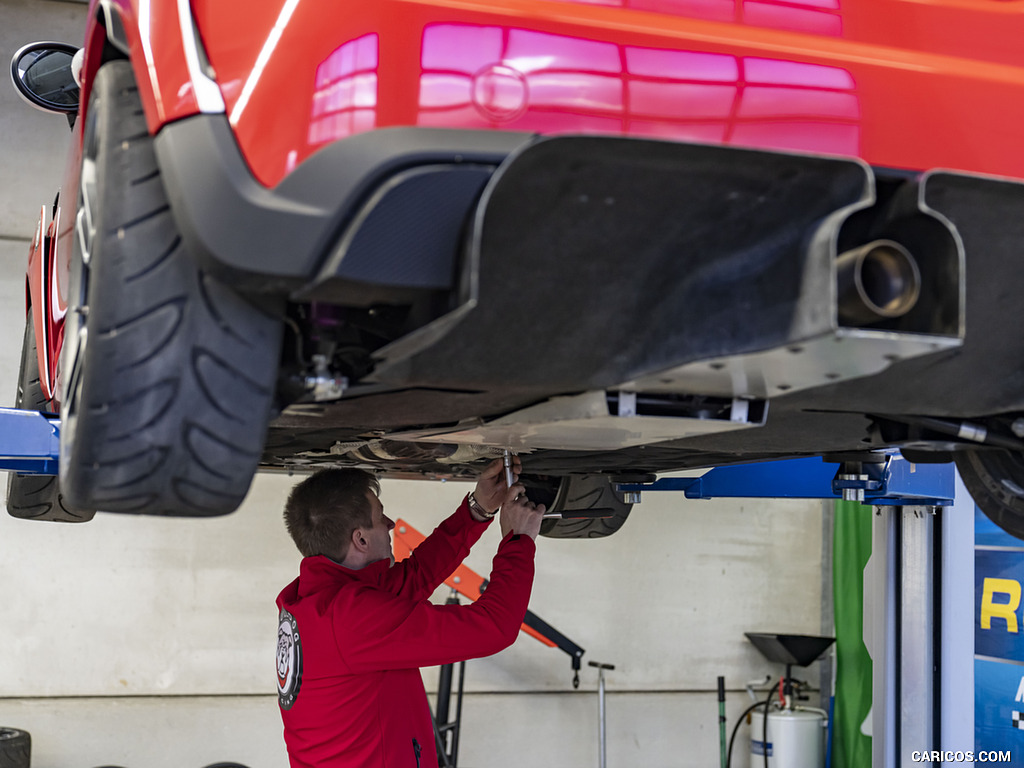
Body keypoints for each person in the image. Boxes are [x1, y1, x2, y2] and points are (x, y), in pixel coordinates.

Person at [276, 456, 545, 768]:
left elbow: (415, 576)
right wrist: (518, 540)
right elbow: (495, 626)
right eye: (380, 517)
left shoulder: (317, 600)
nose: (390, 523)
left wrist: (478, 508)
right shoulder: (352, 619)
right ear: (360, 539)